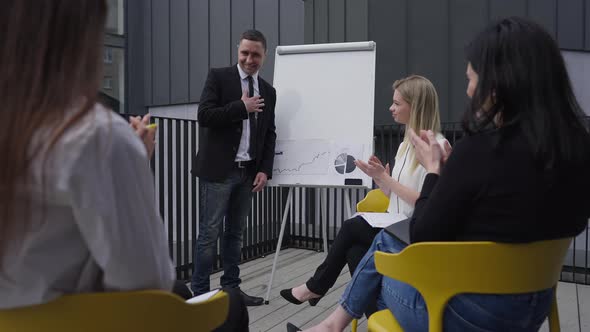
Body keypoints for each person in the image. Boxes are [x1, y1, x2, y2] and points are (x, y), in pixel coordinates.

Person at [287, 16, 590, 332]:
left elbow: (422, 235)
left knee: (382, 244)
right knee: (371, 243)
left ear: (498, 85)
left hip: (466, 314)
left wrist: (435, 173)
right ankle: (330, 324)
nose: (470, 90)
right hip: (535, 306)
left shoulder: (478, 150)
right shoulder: (578, 149)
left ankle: (331, 324)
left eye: (472, 79)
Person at [0, 2, 248, 330]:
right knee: (231, 305)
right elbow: (148, 279)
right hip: (88, 320)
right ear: (83, 38)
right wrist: (135, 161)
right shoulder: (95, 135)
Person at [280, 76, 449, 311]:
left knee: (351, 227)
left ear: (416, 105)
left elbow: (426, 204)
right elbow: (398, 200)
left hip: (413, 235)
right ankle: (377, 315)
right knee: (354, 251)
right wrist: (381, 179)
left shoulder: (438, 147)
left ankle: (315, 287)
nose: (391, 108)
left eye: (397, 103)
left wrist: (387, 179)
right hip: (397, 227)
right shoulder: (404, 145)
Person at [191, 29, 277, 306]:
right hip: (218, 172)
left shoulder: (268, 91)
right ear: (237, 51)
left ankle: (232, 290)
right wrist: (241, 107)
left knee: (236, 234)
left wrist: (265, 169)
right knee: (209, 234)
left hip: (248, 173)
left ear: (264, 56)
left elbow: (269, 132)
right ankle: (200, 294)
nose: (249, 59)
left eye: (255, 54)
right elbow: (204, 116)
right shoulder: (219, 77)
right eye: (245, 53)